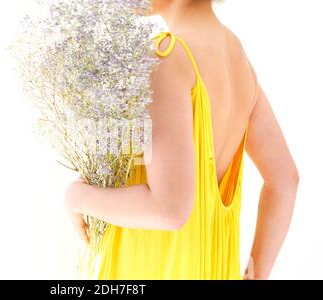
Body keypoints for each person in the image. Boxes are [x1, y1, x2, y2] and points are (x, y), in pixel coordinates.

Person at [64, 0, 299, 279]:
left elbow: (169, 209)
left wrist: (77, 197)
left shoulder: (165, 57)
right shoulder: (237, 58)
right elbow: (285, 179)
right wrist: (256, 273)